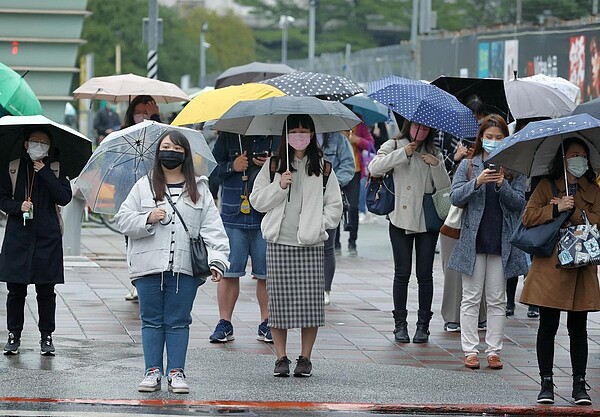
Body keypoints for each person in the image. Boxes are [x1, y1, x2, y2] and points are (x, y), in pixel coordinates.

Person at [115, 130, 229, 394]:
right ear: (158, 153)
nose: (171, 152)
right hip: (148, 267)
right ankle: (152, 371)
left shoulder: (199, 188)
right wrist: (147, 218)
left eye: (177, 149)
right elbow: (122, 219)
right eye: (166, 147)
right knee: (152, 320)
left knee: (178, 320)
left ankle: (176, 372)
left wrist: (217, 260)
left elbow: (213, 228)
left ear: (186, 155)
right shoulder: (144, 185)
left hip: (185, 268)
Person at [249, 114, 342, 378]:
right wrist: (279, 186)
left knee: (309, 305)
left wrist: (318, 226)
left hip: (310, 244)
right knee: (278, 305)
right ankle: (281, 358)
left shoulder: (323, 167)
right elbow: (257, 201)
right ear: (286, 135)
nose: (300, 135)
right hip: (279, 242)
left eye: (305, 130)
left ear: (312, 135)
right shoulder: (273, 165)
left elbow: (334, 206)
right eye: (295, 130)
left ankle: (305, 358)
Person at [520, 137, 600, 405]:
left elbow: (597, 221)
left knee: (578, 328)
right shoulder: (546, 185)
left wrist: (573, 208)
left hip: (581, 267)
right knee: (547, 326)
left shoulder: (594, 189)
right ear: (563, 159)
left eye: (583, 155)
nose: (579, 160)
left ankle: (579, 384)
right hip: (550, 267)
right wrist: (555, 208)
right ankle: (546, 382)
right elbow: (528, 217)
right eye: (574, 155)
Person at [448, 114, 528, 370]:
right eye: (489, 137)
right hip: (474, 240)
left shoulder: (514, 169)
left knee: (497, 299)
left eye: (498, 137)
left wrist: (502, 184)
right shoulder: (469, 164)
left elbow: (519, 204)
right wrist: (477, 182)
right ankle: (470, 350)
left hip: (501, 242)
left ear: (506, 139)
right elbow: (455, 197)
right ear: (481, 137)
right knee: (471, 298)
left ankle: (494, 351)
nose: (493, 141)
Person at [368, 119, 451, 344]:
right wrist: (403, 153)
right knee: (402, 273)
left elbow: (444, 188)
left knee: (425, 275)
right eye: (416, 126)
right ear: (408, 126)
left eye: (425, 127)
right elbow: (374, 167)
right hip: (400, 218)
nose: (420, 131)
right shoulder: (394, 145)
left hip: (426, 219)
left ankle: (423, 325)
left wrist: (436, 165)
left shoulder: (435, 151)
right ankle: (400, 324)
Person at [0, 127, 72, 356]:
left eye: (44, 142)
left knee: (46, 290)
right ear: (25, 143)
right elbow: (2, 198)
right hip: (18, 236)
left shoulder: (56, 167)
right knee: (15, 290)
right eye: (34, 140)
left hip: (47, 237)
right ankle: (14, 334)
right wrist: (17, 206)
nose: (38, 145)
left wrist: (45, 173)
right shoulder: (12, 166)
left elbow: (64, 197)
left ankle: (46, 336)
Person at [208, 132, 279, 343]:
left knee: (266, 275)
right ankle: (225, 322)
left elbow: (290, 173)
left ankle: (267, 322)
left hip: (265, 216)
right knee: (229, 273)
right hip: (233, 215)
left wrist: (272, 166)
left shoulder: (275, 137)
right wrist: (233, 166)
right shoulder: (228, 136)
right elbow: (211, 170)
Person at [123, 95, 162, 302]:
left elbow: (167, 141)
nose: (141, 116)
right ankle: (135, 281)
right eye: (138, 112)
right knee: (131, 240)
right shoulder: (124, 135)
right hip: (131, 193)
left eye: (145, 112)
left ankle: (148, 281)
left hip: (155, 192)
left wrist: (155, 118)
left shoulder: (159, 132)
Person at [318, 131, 355, 305]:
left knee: (327, 246)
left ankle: (325, 289)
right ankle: (309, 286)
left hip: (329, 198)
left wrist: (333, 183)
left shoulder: (337, 138)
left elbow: (348, 165)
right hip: (302, 198)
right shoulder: (298, 135)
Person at [334, 119, 374, 256]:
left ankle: (352, 242)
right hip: (335, 172)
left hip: (355, 172)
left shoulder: (359, 123)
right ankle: (335, 243)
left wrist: (357, 140)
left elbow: (370, 144)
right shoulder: (332, 124)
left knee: (353, 207)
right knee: (335, 207)